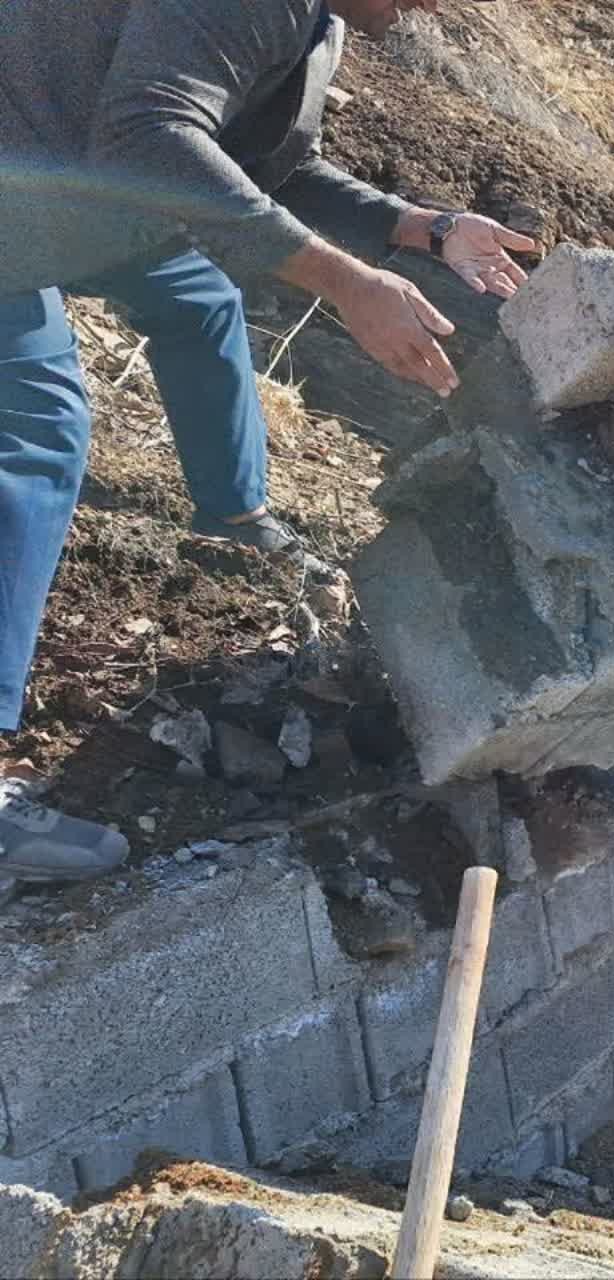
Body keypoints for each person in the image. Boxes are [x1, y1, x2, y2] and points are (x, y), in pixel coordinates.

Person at [0, 0, 537, 883]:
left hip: (64, 179)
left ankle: (235, 518)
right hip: (33, 178)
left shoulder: (319, 22)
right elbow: (148, 135)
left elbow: (265, 164)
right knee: (34, 434)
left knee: (199, 299)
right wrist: (347, 283)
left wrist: (424, 227)